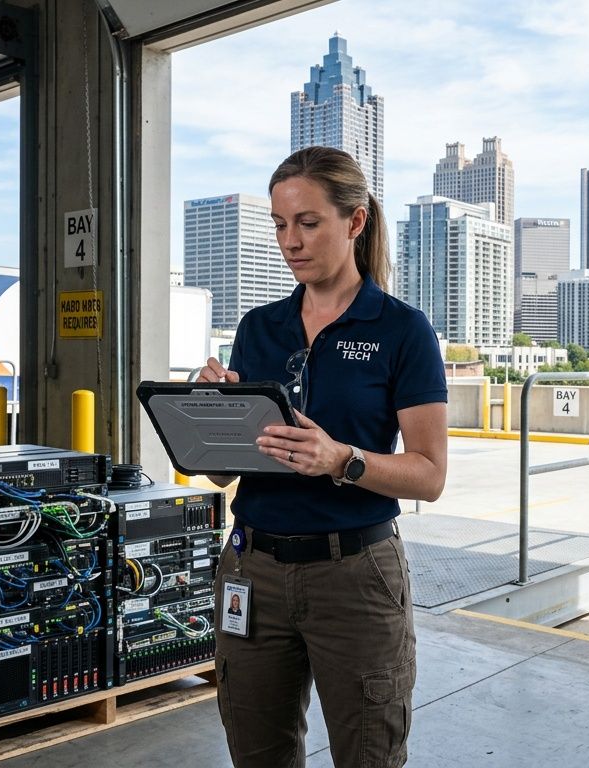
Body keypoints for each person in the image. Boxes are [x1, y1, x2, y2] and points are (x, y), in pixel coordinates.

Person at [197, 145, 447, 767]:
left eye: (308, 223)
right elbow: (224, 472)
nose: (291, 241)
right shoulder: (259, 328)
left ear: (355, 221)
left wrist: (342, 459)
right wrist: (212, 417)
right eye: (280, 225)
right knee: (258, 753)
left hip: (354, 575)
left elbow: (429, 475)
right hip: (252, 569)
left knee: (368, 754)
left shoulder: (401, 329)